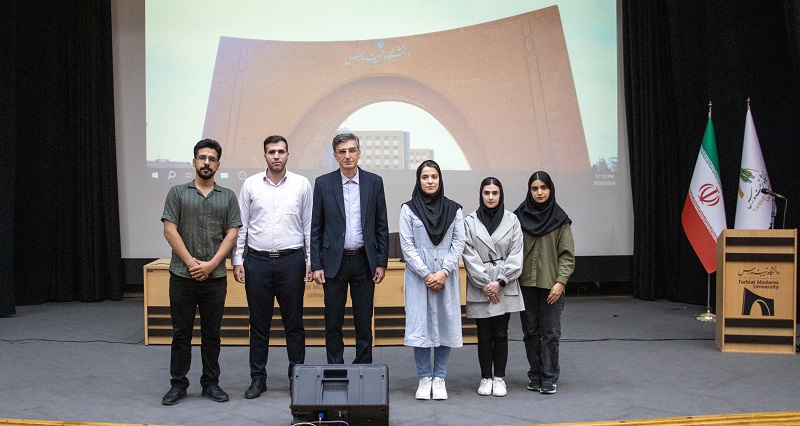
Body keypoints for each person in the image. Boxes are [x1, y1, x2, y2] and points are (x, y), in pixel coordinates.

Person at [160, 139, 242, 405]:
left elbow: (232, 234)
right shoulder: (177, 193)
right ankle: (178, 384)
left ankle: (210, 383)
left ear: (218, 164)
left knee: (212, 334)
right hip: (182, 276)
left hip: (215, 278)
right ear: (194, 161)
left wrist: (211, 264)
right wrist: (192, 264)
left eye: (212, 159)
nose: (207, 163)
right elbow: (169, 230)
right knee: (181, 333)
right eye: (202, 158)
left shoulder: (228, 196)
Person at [232, 135, 313, 399]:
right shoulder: (251, 184)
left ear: (288, 154)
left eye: (281, 151)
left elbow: (309, 226)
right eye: (271, 152)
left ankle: (296, 376)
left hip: (292, 261)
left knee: (294, 324)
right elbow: (241, 225)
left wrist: (310, 260)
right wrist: (237, 259)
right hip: (257, 262)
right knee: (259, 324)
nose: (276, 156)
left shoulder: (302, 184)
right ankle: (258, 379)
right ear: (264, 155)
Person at [310, 132, 389, 365]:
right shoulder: (323, 183)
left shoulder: (374, 182)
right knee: (333, 321)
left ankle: (363, 368)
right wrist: (316, 265)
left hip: (365, 261)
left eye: (352, 150)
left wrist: (381, 262)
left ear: (359, 153)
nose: (347, 156)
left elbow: (381, 225)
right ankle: (335, 367)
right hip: (334, 262)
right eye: (342, 152)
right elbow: (316, 227)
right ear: (335, 156)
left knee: (363, 320)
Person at [399, 160, 466, 401]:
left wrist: (444, 272)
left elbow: (459, 242)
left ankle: (439, 378)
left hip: (445, 276)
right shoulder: (408, 209)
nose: (430, 181)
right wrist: (427, 274)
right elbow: (407, 245)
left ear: (440, 179)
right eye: (425, 177)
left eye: (434, 177)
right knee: (420, 326)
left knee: (444, 324)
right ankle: (424, 377)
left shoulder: (454, 209)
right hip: (419, 278)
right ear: (418, 180)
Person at [462, 177, 525, 397]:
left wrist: (500, 282)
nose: (490, 197)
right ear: (481, 195)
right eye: (486, 193)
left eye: (494, 193)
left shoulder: (512, 220)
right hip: (480, 285)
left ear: (501, 194)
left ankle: (499, 378)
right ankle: (485, 377)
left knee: (500, 332)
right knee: (483, 334)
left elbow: (517, 253)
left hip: (504, 284)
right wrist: (485, 283)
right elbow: (468, 253)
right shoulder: (469, 221)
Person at [514, 171, 575, 395]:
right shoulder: (518, 218)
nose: (539, 193)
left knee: (550, 333)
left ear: (550, 190)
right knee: (530, 331)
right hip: (525, 284)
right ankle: (535, 374)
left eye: (544, 188)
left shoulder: (560, 219)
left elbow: (567, 256)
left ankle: (549, 376)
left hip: (551, 286)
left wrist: (561, 282)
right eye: (535, 188)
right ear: (529, 191)